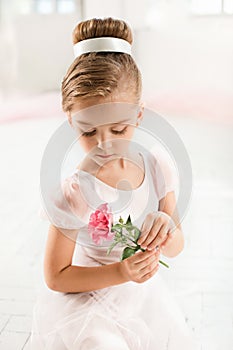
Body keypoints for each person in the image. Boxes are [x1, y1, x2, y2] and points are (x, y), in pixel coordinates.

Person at [30, 17, 199, 349]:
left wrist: (165, 225)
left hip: (140, 301)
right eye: (88, 132)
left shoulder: (157, 167)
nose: (103, 144)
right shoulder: (75, 193)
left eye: (118, 129)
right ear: (71, 121)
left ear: (138, 114)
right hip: (88, 303)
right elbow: (56, 276)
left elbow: (177, 246)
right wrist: (121, 273)